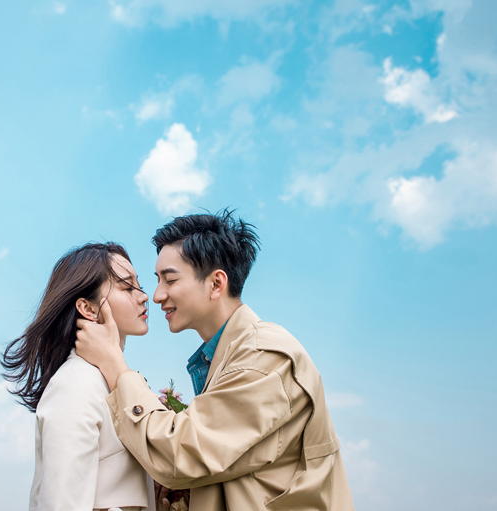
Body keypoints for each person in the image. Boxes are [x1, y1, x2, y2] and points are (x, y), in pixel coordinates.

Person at [75, 211, 356, 511]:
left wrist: (114, 365)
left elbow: (179, 456)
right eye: (156, 281)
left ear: (216, 284)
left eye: (170, 280)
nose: (156, 296)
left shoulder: (262, 358)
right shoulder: (230, 355)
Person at [1, 242, 157, 511]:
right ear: (87, 308)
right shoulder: (76, 383)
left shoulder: (111, 382)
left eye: (139, 285)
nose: (144, 296)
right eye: (127, 287)